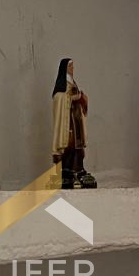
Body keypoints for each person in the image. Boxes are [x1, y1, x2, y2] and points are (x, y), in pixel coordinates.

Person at [50, 57, 97, 189]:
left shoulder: (73, 83)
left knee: (78, 146)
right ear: (65, 68)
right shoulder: (62, 85)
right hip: (67, 122)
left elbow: (76, 97)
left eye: (72, 66)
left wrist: (82, 99)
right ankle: (67, 171)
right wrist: (71, 98)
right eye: (70, 66)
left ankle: (78, 169)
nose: (73, 69)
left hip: (76, 120)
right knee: (69, 144)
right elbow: (58, 98)